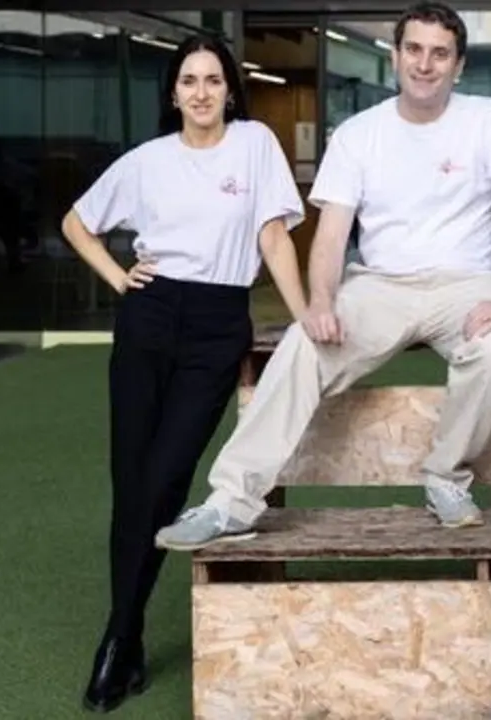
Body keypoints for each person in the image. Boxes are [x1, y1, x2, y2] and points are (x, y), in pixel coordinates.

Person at [154, 2, 491, 549]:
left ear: (458, 66)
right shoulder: (360, 134)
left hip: (468, 284)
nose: (425, 64)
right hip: (380, 285)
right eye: (414, 50)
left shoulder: (488, 119)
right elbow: (332, 232)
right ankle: (230, 502)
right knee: (302, 345)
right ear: (395, 56)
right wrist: (320, 302)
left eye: (440, 54)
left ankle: (445, 477)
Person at [59, 34, 310, 712]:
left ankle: (120, 637)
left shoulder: (255, 144)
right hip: (148, 316)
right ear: (173, 93)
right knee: (132, 481)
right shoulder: (147, 161)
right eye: (189, 80)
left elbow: (273, 236)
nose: (201, 92)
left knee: (168, 476)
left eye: (213, 79)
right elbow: (77, 223)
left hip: (217, 324)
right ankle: (124, 638)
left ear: (230, 90)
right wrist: (120, 279)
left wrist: (306, 319)